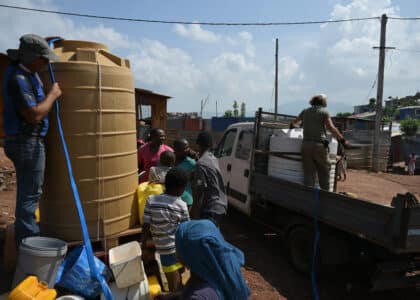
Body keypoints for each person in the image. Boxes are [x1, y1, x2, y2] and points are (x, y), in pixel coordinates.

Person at [2, 34, 62, 246]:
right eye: (44, 58)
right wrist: (53, 95)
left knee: (28, 194)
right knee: (30, 198)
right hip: (27, 142)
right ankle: (29, 247)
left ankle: (26, 239)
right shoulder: (19, 79)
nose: (46, 63)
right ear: (33, 58)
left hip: (22, 140)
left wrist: (45, 43)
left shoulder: (23, 70)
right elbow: (34, 114)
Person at [154, 220, 250, 300]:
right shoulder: (214, 273)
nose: (175, 251)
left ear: (192, 254)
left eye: (177, 246)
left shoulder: (199, 297)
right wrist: (172, 297)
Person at [142, 168, 190, 292]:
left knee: (174, 280)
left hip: (164, 249)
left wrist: (143, 244)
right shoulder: (182, 206)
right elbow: (186, 230)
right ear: (181, 188)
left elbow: (146, 225)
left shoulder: (151, 200)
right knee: (176, 285)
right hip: (179, 248)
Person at [290, 94, 350, 190]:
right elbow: (331, 128)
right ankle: (325, 198)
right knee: (324, 172)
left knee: (309, 173)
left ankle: (308, 197)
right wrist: (343, 140)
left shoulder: (305, 111)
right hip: (319, 146)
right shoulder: (324, 112)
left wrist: (292, 127)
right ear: (323, 102)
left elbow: (294, 122)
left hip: (306, 145)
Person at [191, 132, 227, 226]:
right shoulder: (213, 159)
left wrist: (193, 217)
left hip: (210, 209)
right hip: (220, 206)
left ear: (198, 144)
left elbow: (199, 192)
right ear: (211, 145)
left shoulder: (201, 164)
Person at [173, 138, 196, 209]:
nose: (188, 150)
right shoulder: (168, 159)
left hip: (186, 200)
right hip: (170, 199)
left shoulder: (192, 164)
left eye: (188, 147)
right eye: (185, 148)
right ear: (175, 149)